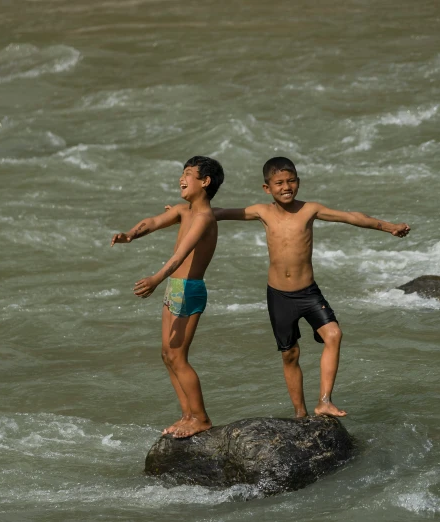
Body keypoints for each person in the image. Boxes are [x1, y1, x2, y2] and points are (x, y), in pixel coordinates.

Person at [214, 157, 410, 418]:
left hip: (308, 292)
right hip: (279, 295)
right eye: (279, 183)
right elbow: (219, 213)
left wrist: (389, 227)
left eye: (291, 181)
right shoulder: (262, 211)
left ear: (299, 182)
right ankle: (300, 413)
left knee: (334, 335)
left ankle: (325, 401)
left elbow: (352, 217)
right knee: (290, 354)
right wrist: (182, 215)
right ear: (267, 188)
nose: (286, 187)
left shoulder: (309, 210)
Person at [111, 156, 224, 438]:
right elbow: (152, 221)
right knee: (167, 355)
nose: (181, 179)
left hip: (188, 289)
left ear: (205, 181)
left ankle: (201, 418)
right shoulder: (184, 211)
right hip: (175, 288)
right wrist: (130, 235)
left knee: (179, 356)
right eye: (182, 173)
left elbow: (180, 255)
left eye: (188, 174)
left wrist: (155, 279)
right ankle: (187, 414)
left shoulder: (203, 218)